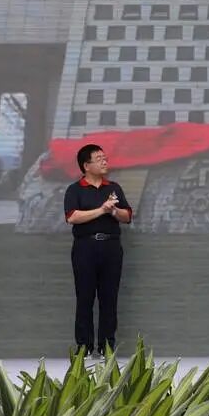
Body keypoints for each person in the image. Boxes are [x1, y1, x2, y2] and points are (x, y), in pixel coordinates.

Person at [63, 144, 132, 358]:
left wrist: (114, 211)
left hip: (111, 247)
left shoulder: (114, 188)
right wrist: (102, 209)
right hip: (85, 247)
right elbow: (72, 217)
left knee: (109, 298)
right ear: (86, 165)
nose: (104, 162)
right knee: (84, 297)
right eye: (99, 159)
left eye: (105, 158)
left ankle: (106, 346)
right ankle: (84, 346)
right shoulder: (75, 189)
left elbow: (127, 216)